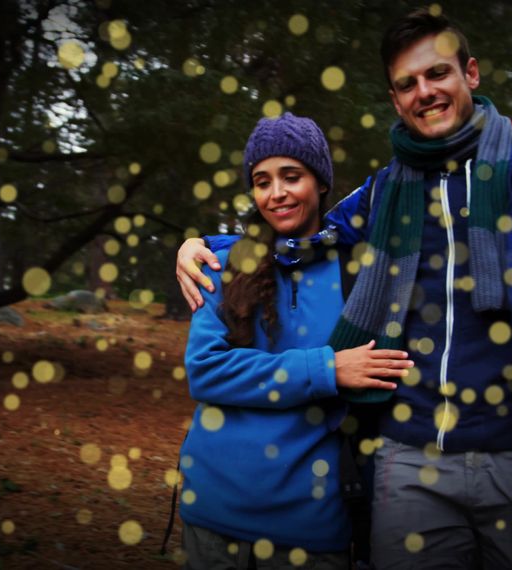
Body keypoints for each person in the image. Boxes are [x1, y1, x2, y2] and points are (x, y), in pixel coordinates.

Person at [176, 10, 512, 570]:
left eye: (438, 74)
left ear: (470, 73)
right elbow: (300, 234)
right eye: (408, 84)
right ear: (394, 98)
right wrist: (201, 244)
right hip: (410, 460)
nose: (424, 92)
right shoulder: (383, 195)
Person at [179, 112, 413, 569]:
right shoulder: (220, 266)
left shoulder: (355, 274)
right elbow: (206, 371)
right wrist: (326, 369)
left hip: (312, 529)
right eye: (262, 181)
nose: (277, 193)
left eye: (292, 176)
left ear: (321, 182)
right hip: (211, 515)